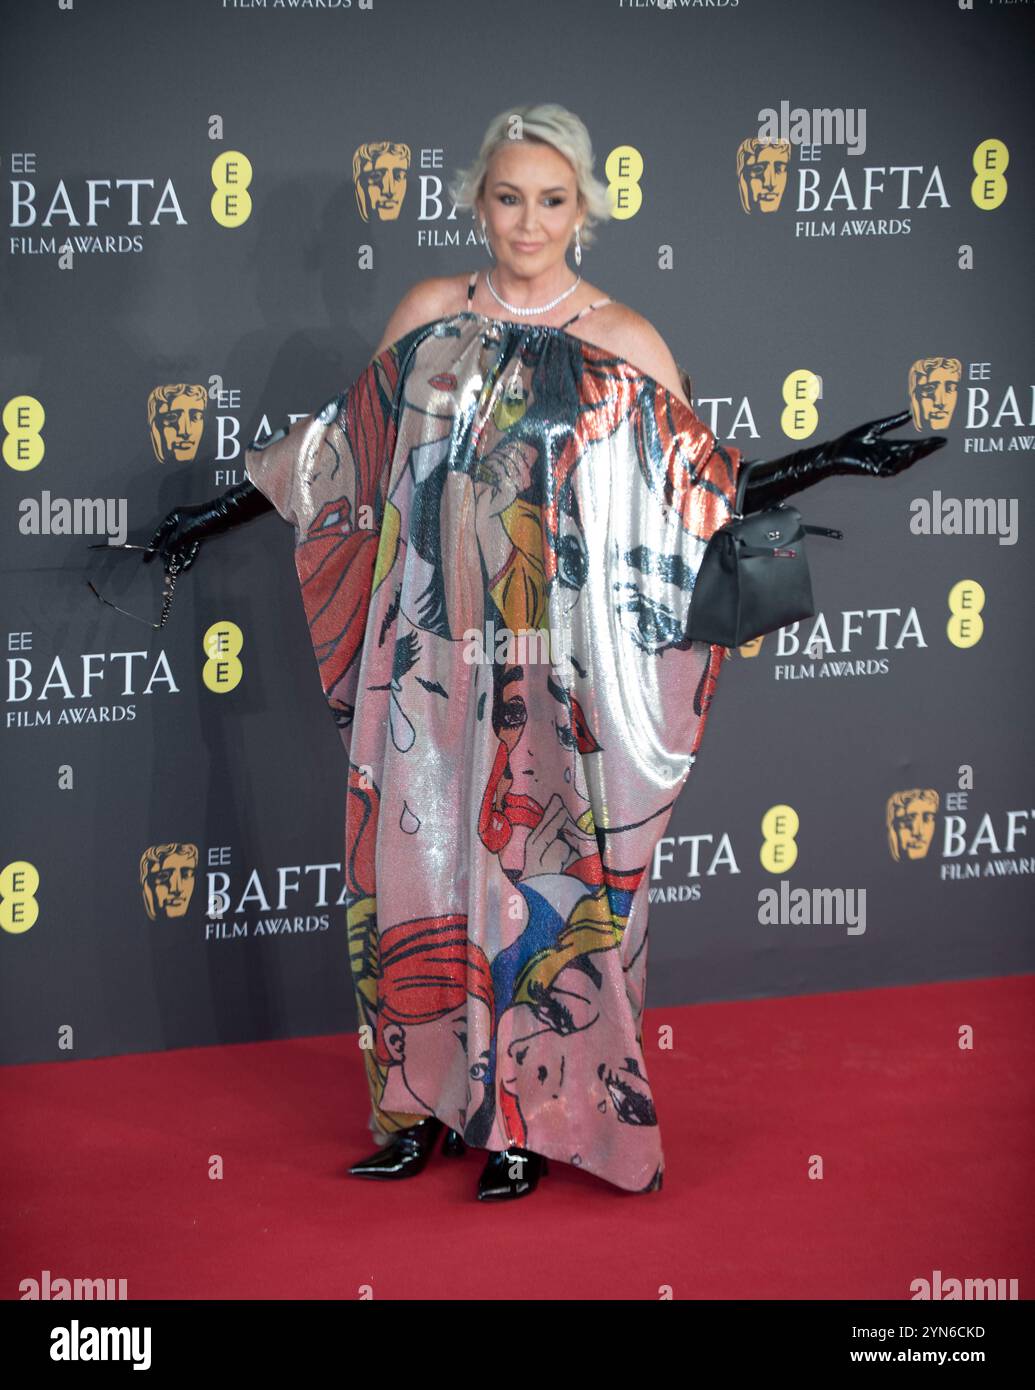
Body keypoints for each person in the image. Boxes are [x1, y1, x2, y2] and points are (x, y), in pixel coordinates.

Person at [145, 104, 945, 1201]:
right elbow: (338, 458)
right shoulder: (428, 318)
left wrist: (833, 458)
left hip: (554, 668)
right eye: (509, 198)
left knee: (538, 883)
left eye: (553, 200)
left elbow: (698, 494)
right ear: (478, 201)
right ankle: (417, 1109)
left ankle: (523, 1118)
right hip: (429, 657)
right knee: (410, 875)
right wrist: (200, 517)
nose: (529, 220)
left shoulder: (626, 341)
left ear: (586, 211)